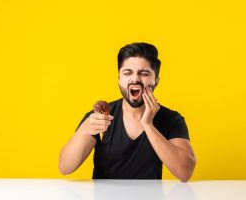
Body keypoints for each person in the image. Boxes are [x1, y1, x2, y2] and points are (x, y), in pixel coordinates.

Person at [59, 42, 196, 182]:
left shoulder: (171, 119)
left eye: (144, 73)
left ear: (156, 81)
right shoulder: (99, 117)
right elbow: (65, 167)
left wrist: (148, 125)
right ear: (119, 78)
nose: (135, 79)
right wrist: (84, 129)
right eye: (127, 72)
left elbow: (185, 172)